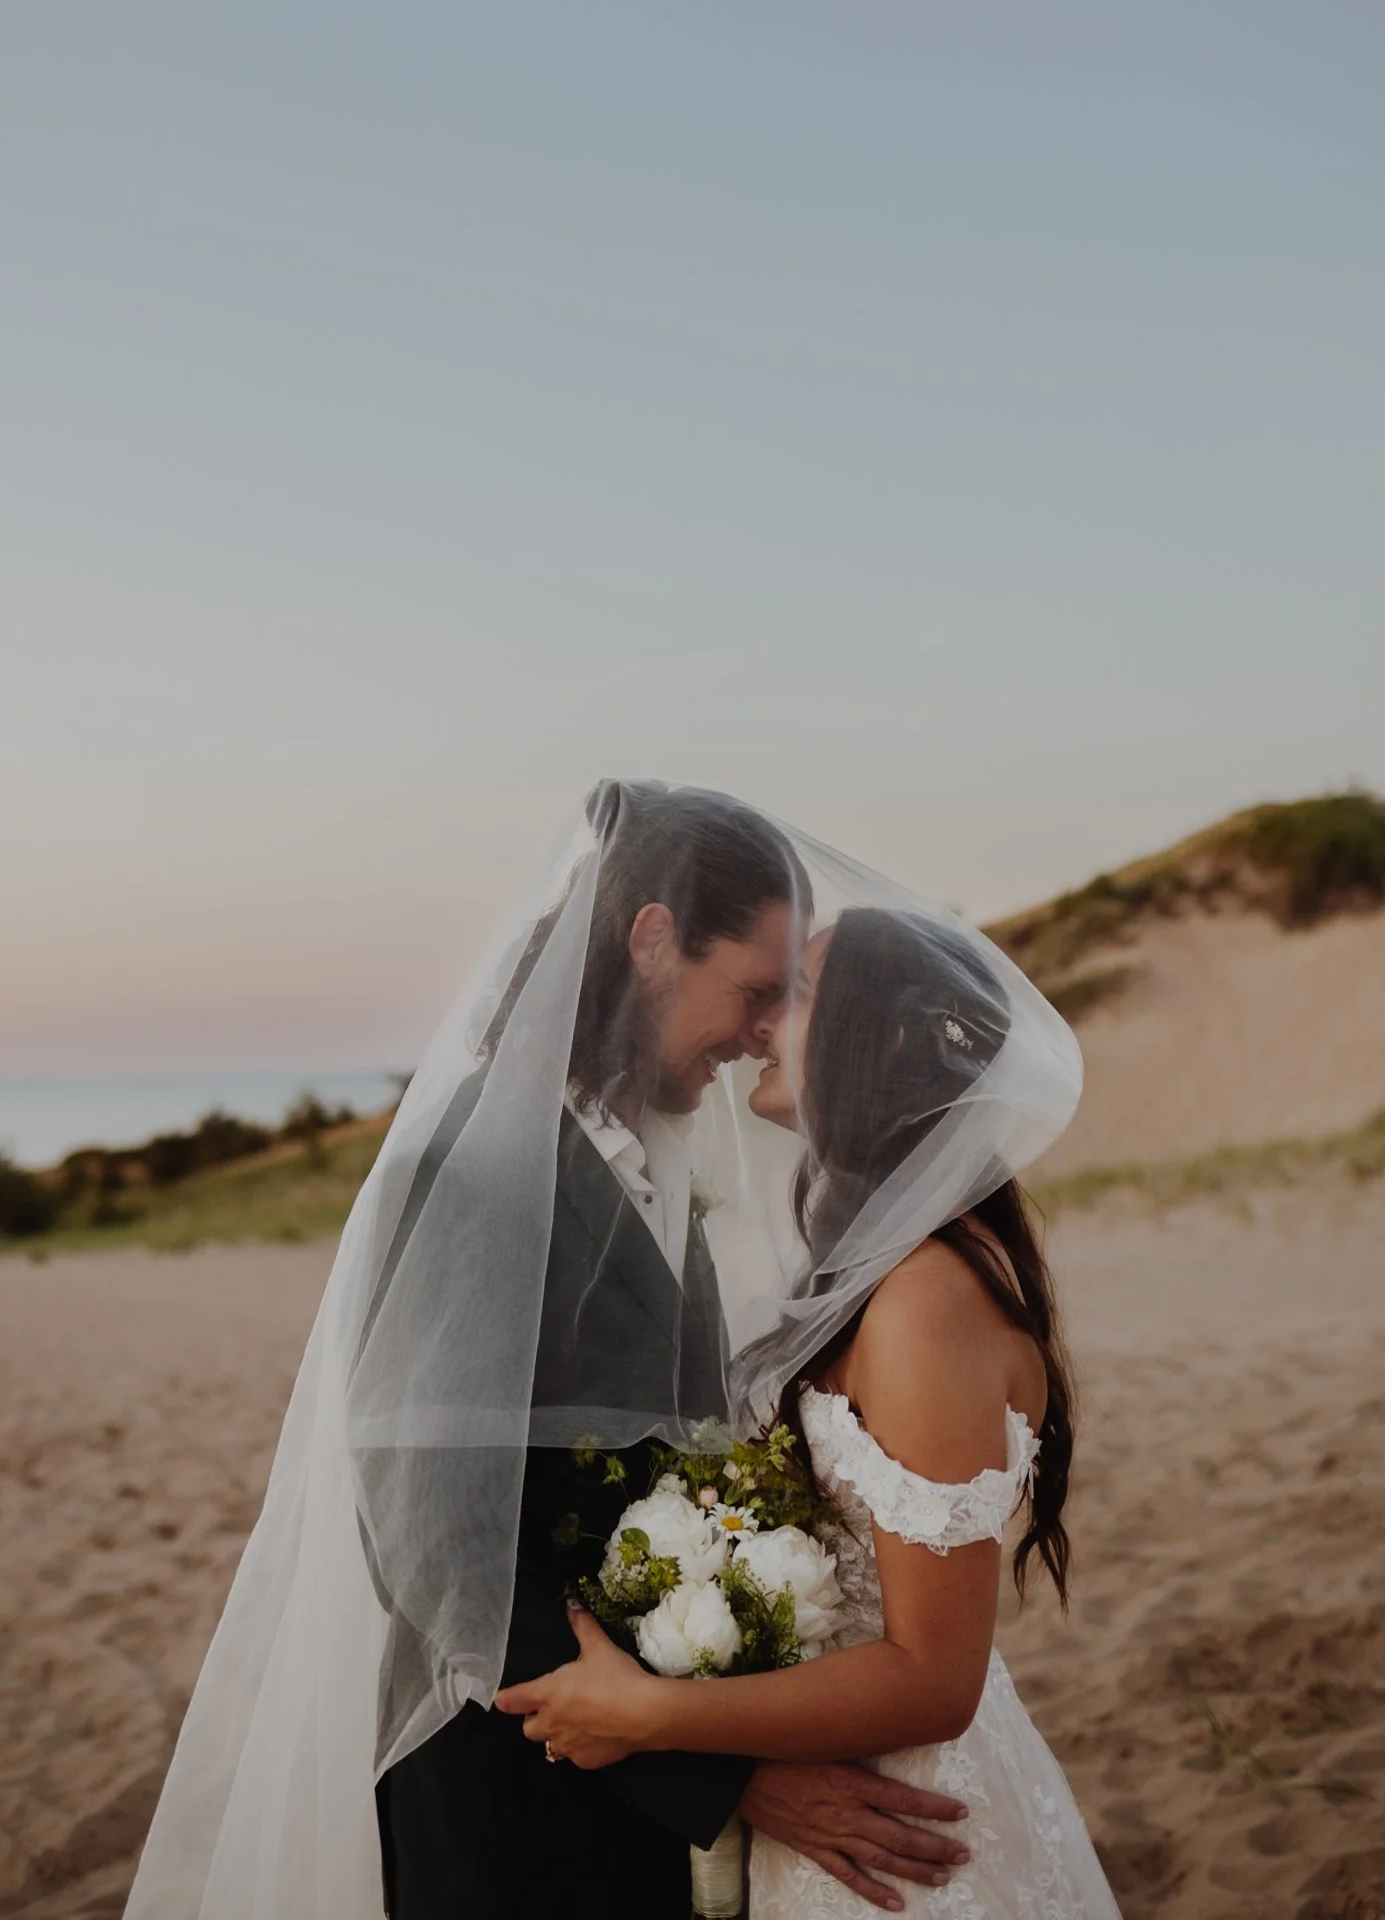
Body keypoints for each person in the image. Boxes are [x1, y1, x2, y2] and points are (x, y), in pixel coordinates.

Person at [124, 786, 1011, 1920]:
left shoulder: (659, 1162)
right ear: (650, 941)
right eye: (751, 990)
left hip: (636, 1783)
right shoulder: (474, 1175)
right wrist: (725, 1775)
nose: (759, 1032)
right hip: (511, 1797)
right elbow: (433, 1548)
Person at [497, 907, 1121, 1919]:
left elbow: (935, 1676)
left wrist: (656, 1712)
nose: (759, 1025)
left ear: (893, 1038)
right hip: (846, 1797)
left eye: (798, 993)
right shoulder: (887, 1265)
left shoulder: (924, 1298)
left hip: (899, 1828)